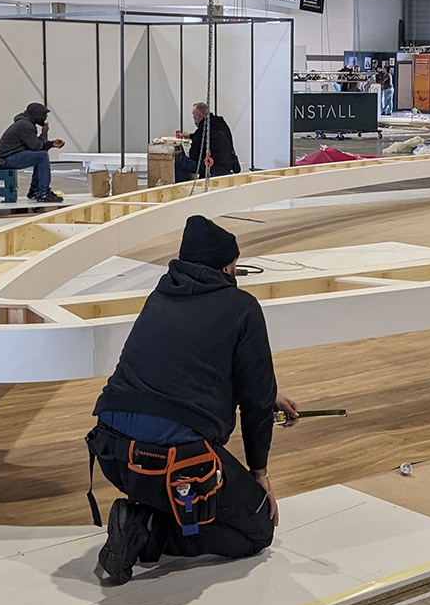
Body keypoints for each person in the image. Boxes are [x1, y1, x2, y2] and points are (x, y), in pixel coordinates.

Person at [87, 216, 299, 585]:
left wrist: (268, 396)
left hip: (113, 453)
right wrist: (260, 474)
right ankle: (146, 529)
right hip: (173, 461)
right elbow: (255, 404)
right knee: (257, 529)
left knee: (191, 489)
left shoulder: (160, 296)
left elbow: (184, 370)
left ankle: (145, 512)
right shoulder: (242, 305)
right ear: (226, 267)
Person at [0, 103, 65, 203]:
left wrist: (51, 144)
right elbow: (36, 147)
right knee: (42, 156)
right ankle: (43, 192)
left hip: (6, 158)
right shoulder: (25, 125)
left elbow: (34, 146)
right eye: (43, 115)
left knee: (39, 156)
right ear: (35, 115)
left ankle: (35, 191)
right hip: (6, 159)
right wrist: (44, 133)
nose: (45, 118)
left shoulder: (25, 123)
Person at [175, 102, 240, 182]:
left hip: (214, 166)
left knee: (181, 163)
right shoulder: (220, 123)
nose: (193, 117)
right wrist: (191, 136)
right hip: (229, 164)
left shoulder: (203, 129)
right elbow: (211, 135)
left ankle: (183, 187)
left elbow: (194, 155)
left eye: (193, 115)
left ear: (199, 116)